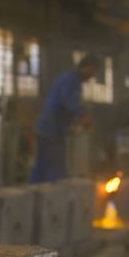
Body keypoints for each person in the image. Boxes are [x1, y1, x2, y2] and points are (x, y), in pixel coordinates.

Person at [30, 54, 99, 183]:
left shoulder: (73, 80)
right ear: (87, 67)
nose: (92, 75)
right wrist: (83, 114)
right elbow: (66, 100)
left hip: (49, 128)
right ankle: (53, 196)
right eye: (93, 71)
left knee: (43, 166)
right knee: (55, 168)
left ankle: (36, 195)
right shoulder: (70, 79)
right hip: (51, 129)